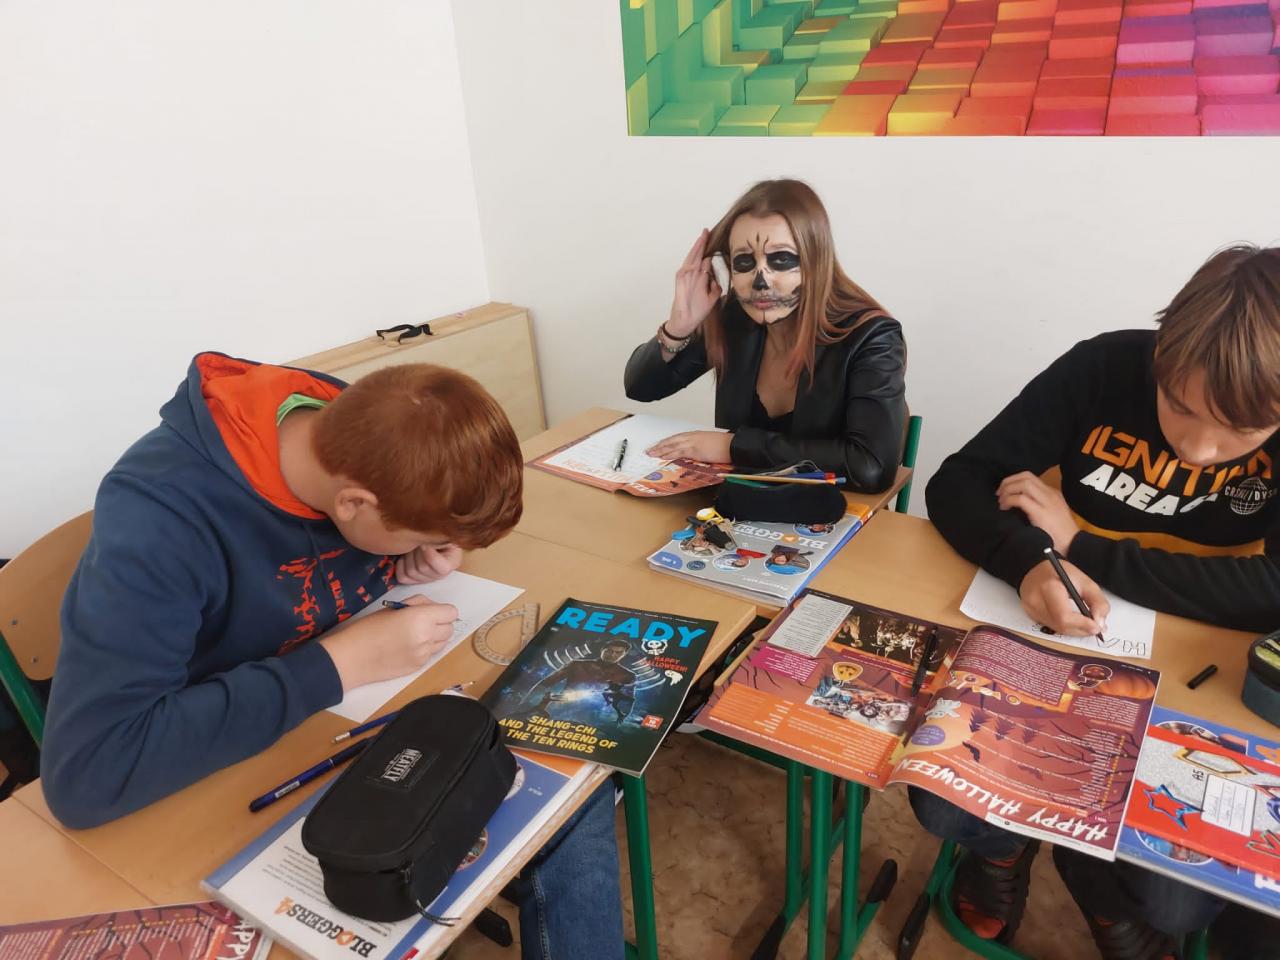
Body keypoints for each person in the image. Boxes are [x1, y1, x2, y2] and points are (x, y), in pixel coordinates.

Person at [41, 353, 624, 958]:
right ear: (351, 504)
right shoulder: (158, 519)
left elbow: (337, 563)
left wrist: (408, 559)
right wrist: (341, 664)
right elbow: (88, 776)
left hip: (350, 718)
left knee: (569, 786)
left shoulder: (353, 427)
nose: (438, 548)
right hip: (222, 777)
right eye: (428, 537)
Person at [917, 245, 1280, 959]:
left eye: (1242, 431)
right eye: (1179, 406)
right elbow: (957, 482)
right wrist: (1028, 561)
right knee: (942, 802)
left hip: (1202, 676)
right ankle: (1002, 852)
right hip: (1063, 644)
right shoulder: (1105, 367)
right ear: (1162, 354)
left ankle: (1099, 892)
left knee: (1178, 903)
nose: (1200, 449)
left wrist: (1084, 547)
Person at [624, 178, 906, 491]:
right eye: (745, 262)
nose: (761, 281)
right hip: (738, 503)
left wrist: (731, 446)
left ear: (815, 260)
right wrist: (678, 327)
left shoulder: (871, 337)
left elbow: (870, 466)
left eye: (781, 259)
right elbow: (641, 388)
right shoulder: (735, 318)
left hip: (832, 508)